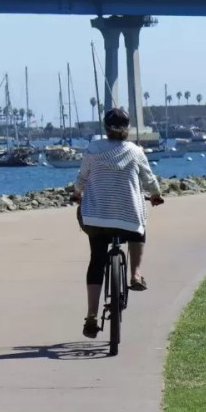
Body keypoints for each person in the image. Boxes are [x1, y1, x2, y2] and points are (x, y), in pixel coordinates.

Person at [71, 107, 163, 339]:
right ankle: (136, 274)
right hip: (127, 219)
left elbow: (82, 177)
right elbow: (149, 179)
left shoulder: (93, 149)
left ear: (106, 127)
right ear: (128, 128)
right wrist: (156, 194)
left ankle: (91, 315)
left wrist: (77, 193)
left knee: (97, 261)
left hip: (96, 219)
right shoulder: (135, 151)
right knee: (139, 223)